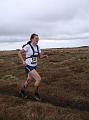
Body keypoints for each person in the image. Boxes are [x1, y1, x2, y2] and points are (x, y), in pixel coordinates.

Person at [18, 33, 48, 100]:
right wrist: (23, 61)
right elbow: (19, 53)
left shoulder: (38, 47)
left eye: (38, 38)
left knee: (29, 79)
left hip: (34, 66)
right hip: (28, 65)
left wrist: (44, 56)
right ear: (32, 39)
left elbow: (40, 57)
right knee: (38, 79)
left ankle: (22, 91)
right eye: (36, 38)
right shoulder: (28, 46)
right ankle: (35, 94)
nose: (38, 39)